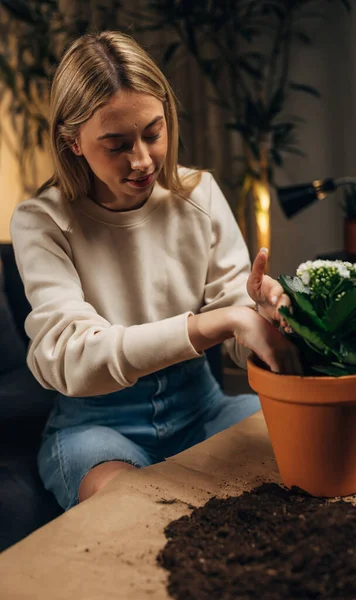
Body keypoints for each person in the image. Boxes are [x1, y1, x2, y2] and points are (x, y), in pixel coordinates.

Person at [10, 31, 302, 512]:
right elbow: (72, 359)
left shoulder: (199, 194)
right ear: (73, 141)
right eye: (117, 144)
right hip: (97, 426)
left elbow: (237, 323)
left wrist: (263, 314)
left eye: (153, 132)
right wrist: (221, 321)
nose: (142, 159)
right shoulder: (43, 221)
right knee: (132, 514)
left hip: (205, 409)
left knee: (306, 453)